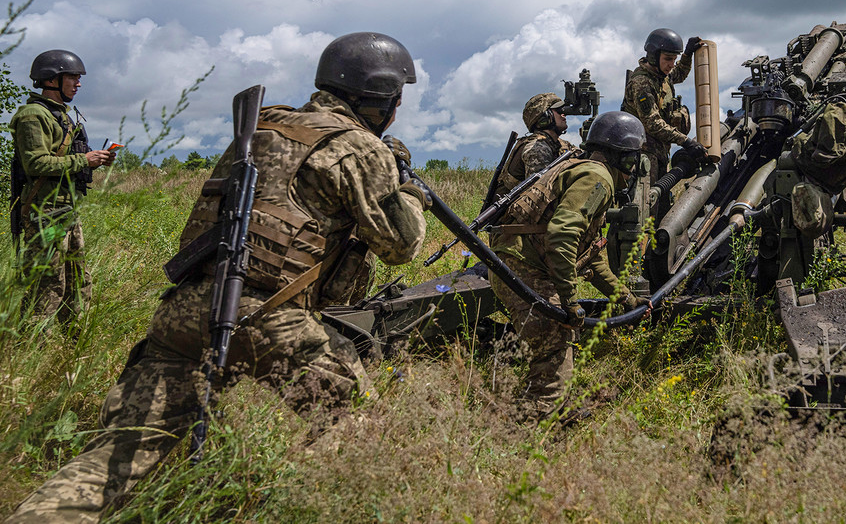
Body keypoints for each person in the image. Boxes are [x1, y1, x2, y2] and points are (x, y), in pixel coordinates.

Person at [6, 32, 430, 523]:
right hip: (268, 318)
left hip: (183, 312)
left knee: (115, 462)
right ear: (382, 100)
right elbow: (402, 247)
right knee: (360, 429)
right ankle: (289, 506)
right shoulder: (358, 147)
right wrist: (410, 193)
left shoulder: (262, 128)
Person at [488, 111, 651, 421]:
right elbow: (562, 233)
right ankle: (537, 422)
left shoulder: (579, 169)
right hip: (525, 268)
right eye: (630, 163)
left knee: (556, 341)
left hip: (512, 262)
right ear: (617, 157)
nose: (631, 173)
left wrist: (627, 300)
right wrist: (569, 300)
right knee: (555, 336)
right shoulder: (598, 178)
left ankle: (553, 407)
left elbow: (594, 260)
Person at [9, 50, 115, 329]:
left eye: (79, 78)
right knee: (47, 284)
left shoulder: (63, 116)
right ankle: (30, 352)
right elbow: (35, 163)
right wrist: (84, 159)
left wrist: (95, 160)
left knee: (78, 280)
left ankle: (71, 346)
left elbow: (63, 162)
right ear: (51, 79)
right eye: (73, 77)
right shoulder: (34, 115)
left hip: (66, 211)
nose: (78, 83)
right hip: (44, 214)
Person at [621, 28, 707, 187]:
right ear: (654, 56)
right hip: (642, 155)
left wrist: (687, 54)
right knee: (649, 203)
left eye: (674, 59)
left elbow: (678, 74)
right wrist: (686, 142)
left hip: (659, 153)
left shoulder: (661, 76)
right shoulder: (642, 83)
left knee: (661, 204)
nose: (671, 64)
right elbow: (652, 123)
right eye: (668, 59)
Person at [493, 92, 576, 196]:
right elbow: (538, 195)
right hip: (519, 209)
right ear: (544, 118)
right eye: (559, 111)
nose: (564, 114)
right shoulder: (537, 148)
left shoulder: (559, 144)